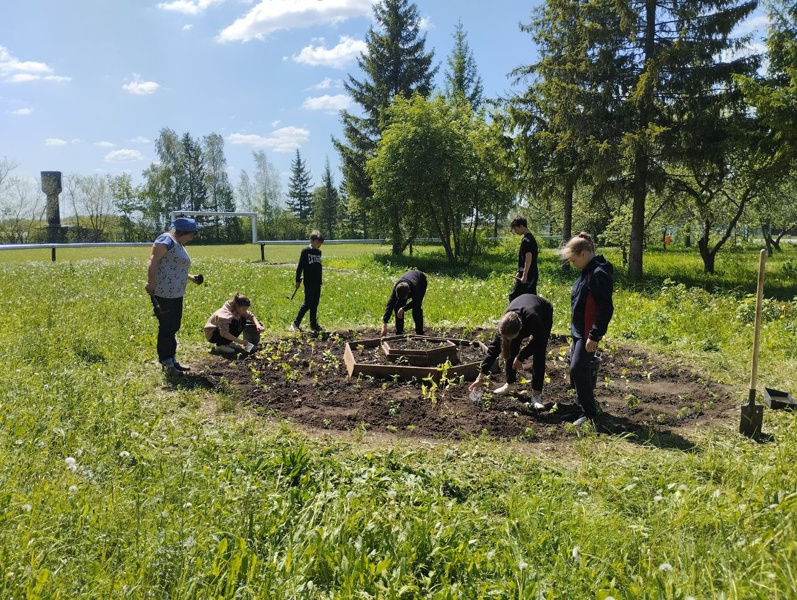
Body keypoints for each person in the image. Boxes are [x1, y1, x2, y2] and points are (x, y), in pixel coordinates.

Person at [559, 232, 614, 427]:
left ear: (583, 254)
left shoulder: (598, 274)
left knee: (578, 368)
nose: (573, 265)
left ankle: (589, 415)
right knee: (577, 370)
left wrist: (594, 335)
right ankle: (580, 408)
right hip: (579, 331)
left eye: (574, 260)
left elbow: (605, 307)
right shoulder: (587, 272)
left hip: (588, 333)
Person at [468, 294, 553, 410]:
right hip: (521, 309)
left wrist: (520, 357)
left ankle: (536, 395)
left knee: (539, 351)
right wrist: (480, 377)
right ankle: (510, 384)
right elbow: (493, 351)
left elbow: (539, 339)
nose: (508, 338)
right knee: (509, 347)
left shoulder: (532, 318)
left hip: (543, 312)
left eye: (511, 336)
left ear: (520, 330)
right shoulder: (505, 324)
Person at [145, 217, 202, 375]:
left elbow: (173, 266)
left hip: (176, 292)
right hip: (164, 292)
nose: (192, 238)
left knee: (173, 326)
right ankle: (167, 362)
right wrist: (151, 282)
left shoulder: (178, 244)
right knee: (167, 327)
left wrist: (190, 277)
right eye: (192, 234)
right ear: (184, 231)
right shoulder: (166, 239)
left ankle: (172, 360)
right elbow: (153, 260)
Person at [290, 231, 324, 332]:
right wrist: (297, 279)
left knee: (315, 303)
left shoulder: (318, 252)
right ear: (312, 241)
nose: (319, 245)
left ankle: (313, 324)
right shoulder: (305, 251)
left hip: (317, 282)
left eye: (320, 243)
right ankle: (295, 323)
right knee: (308, 303)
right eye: (318, 243)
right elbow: (300, 266)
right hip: (309, 282)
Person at [380, 270, 427, 336]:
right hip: (408, 280)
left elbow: (417, 301)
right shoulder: (397, 287)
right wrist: (385, 323)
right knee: (397, 307)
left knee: (416, 309)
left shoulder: (415, 288)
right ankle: (399, 332)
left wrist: (404, 308)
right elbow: (390, 304)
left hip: (421, 280)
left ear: (409, 293)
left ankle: (419, 332)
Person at [509, 216, 539, 301]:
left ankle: (513, 314)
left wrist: (524, 274)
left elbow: (528, 258)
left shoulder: (526, 240)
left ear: (521, 226)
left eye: (515, 229)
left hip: (527, 275)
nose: (515, 231)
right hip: (532, 273)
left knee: (514, 297)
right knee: (530, 298)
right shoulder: (531, 238)